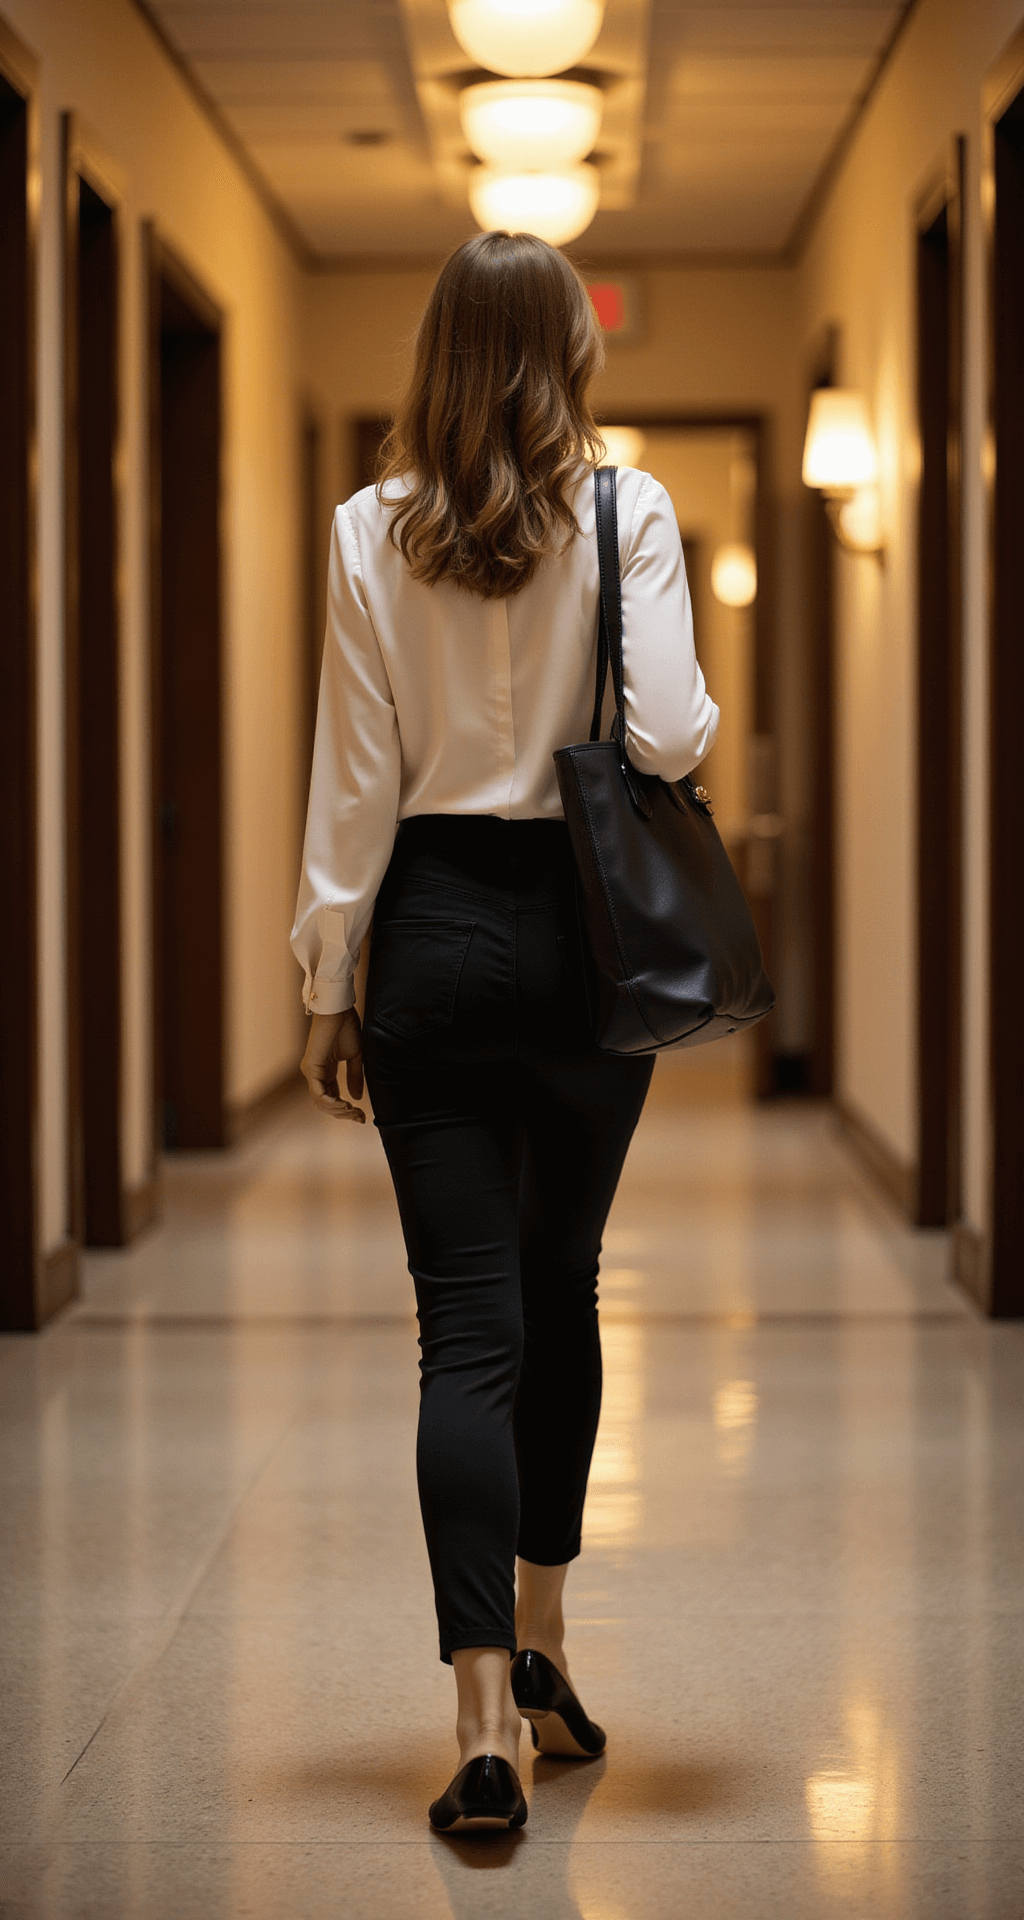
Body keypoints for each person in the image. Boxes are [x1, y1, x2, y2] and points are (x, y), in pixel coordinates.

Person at [291, 230, 719, 1833]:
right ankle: (543, 1637)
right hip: (591, 939)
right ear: (570, 356)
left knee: (464, 1326)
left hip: (433, 932)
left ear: (438, 356)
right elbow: (671, 731)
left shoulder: (363, 532)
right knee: (563, 1286)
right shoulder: (631, 510)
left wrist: (330, 979)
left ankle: (482, 1719)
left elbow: (355, 776)